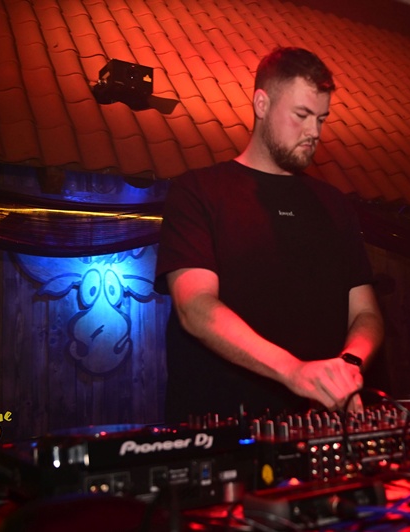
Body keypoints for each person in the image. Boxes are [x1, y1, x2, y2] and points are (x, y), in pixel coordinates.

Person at [153, 47, 384, 423]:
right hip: (221, 432)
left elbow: (366, 312)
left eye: (321, 119)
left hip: (318, 428)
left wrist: (348, 366)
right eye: (301, 115)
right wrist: (294, 371)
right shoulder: (197, 191)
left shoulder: (334, 205)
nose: (314, 132)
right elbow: (194, 306)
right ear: (262, 104)